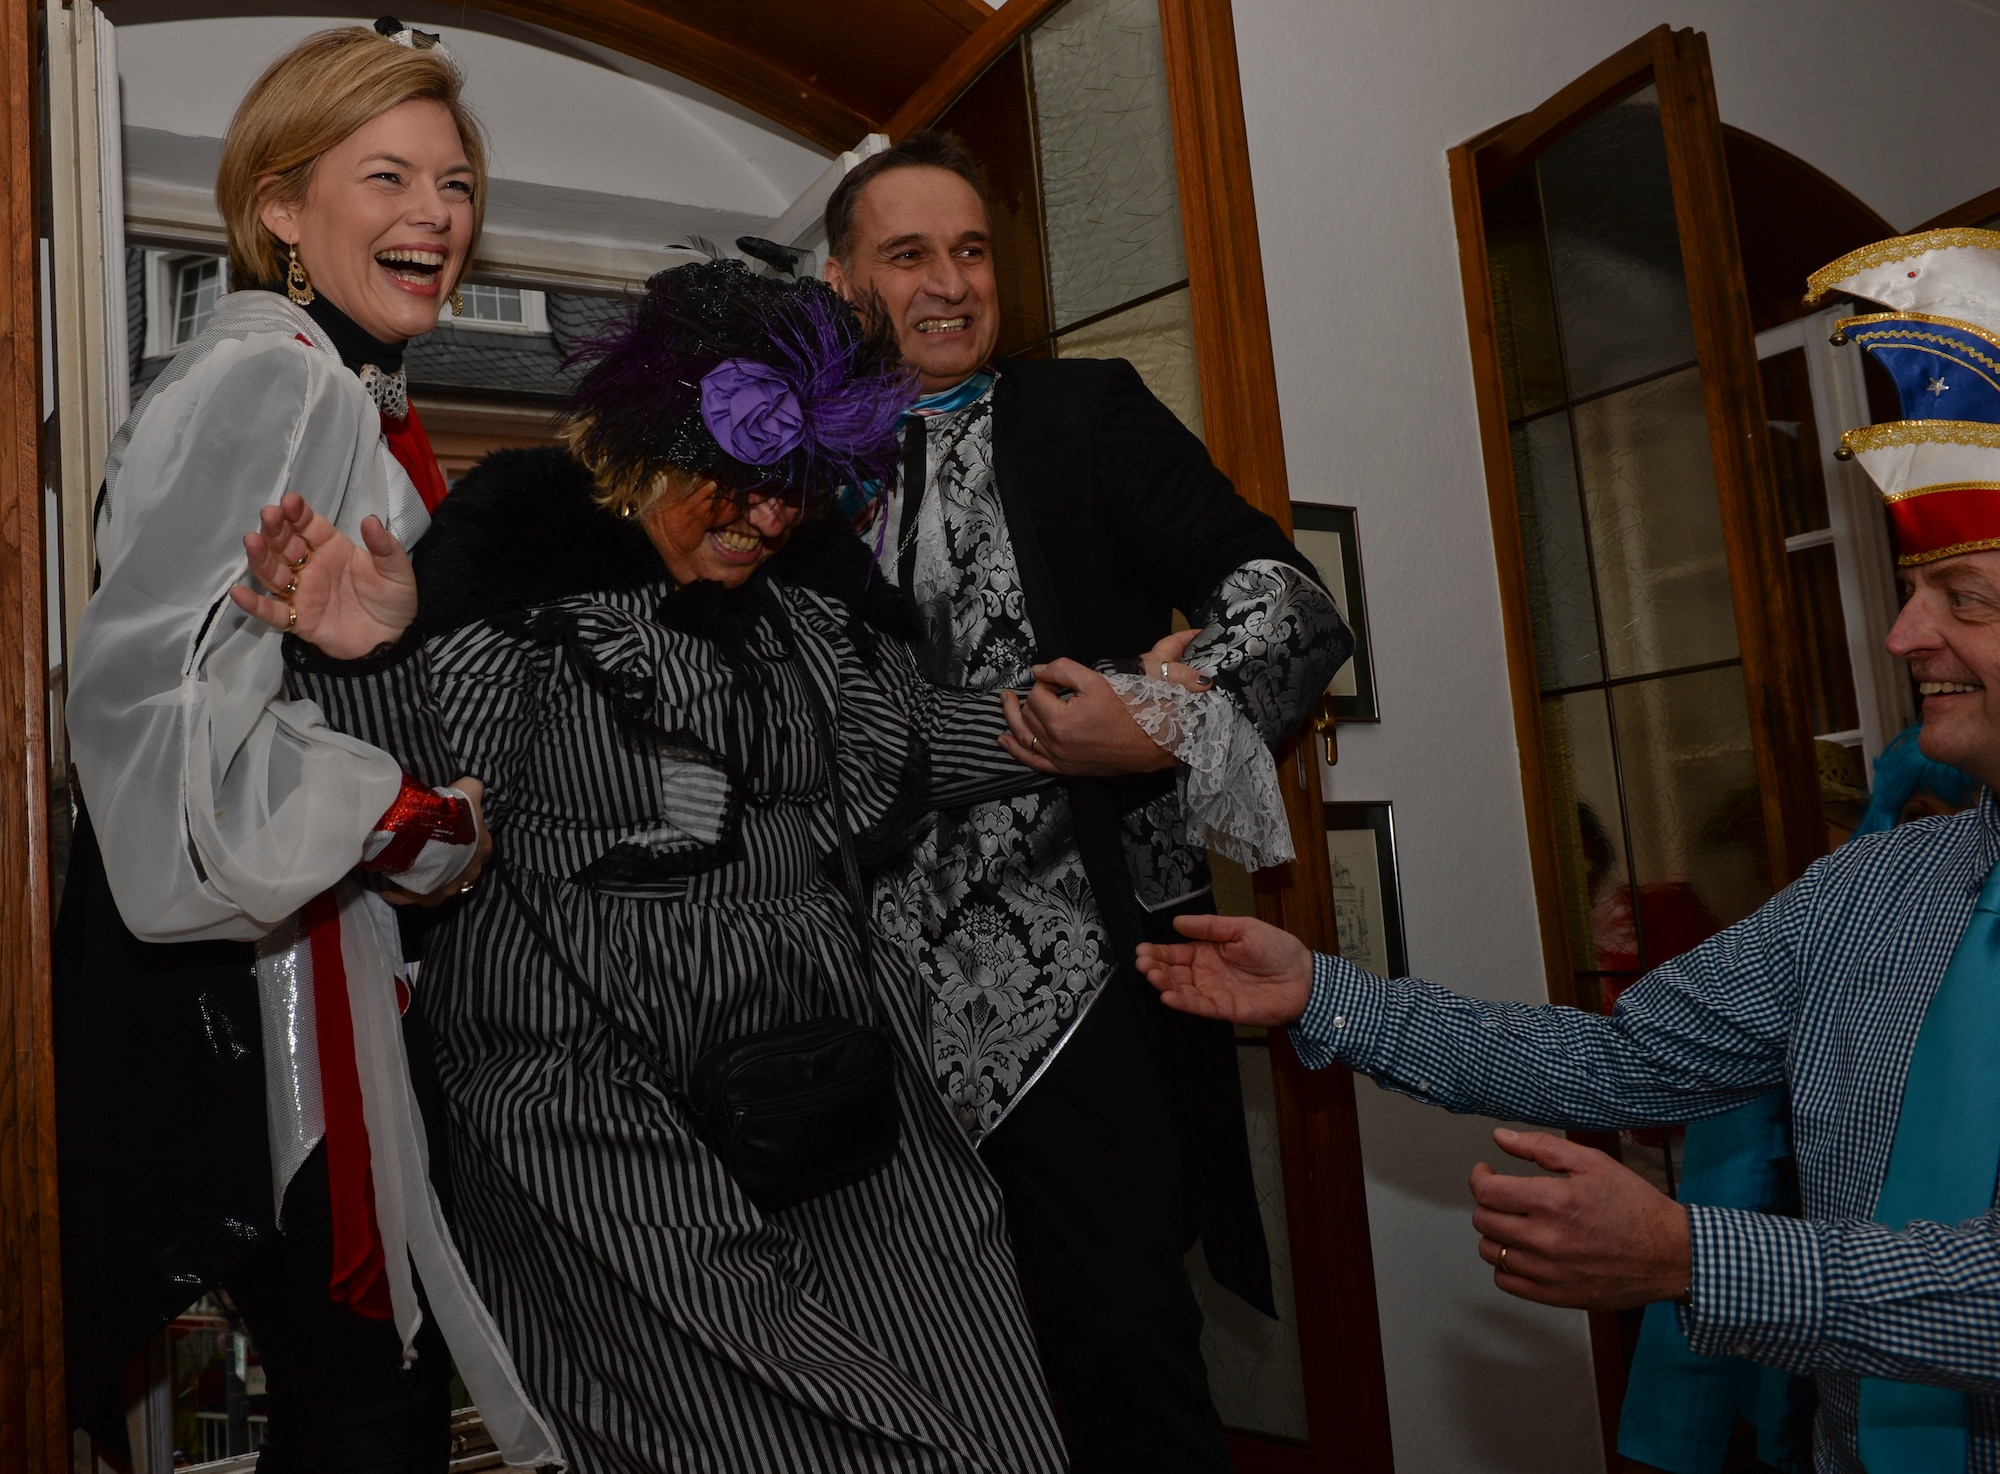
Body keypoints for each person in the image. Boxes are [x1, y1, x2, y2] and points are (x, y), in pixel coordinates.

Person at [1136, 227, 2000, 1474]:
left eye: (1962, 597)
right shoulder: (1878, 889)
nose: (1901, 630)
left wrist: (1691, 1256)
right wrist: (1324, 993)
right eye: (1913, 587)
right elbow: (1620, 1060)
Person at [236, 259, 1104, 1472]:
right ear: (648, 443)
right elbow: (409, 810)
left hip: (836, 1076)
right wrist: (367, 654)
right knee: (793, 1439)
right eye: (733, 486)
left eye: (789, 493)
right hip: (596, 1095)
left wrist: (1108, 723)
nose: (761, 519)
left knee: (986, 1414)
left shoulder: (807, 617)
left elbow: (910, 740)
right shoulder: (531, 605)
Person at [55, 22, 555, 1471]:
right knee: (369, 1397)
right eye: (386, 175)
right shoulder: (292, 380)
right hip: (253, 985)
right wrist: (414, 818)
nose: (436, 217)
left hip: (273, 951)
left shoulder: (314, 381)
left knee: (359, 1389)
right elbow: (156, 709)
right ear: (279, 207)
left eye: (455, 184)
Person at [821, 130, 1351, 1471]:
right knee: (915, 1378)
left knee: (1124, 1356)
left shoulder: (1082, 412)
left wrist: (1156, 718)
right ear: (841, 284)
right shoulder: (797, 478)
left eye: (971, 250)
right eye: (906, 255)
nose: (947, 282)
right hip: (860, 1003)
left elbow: (1289, 601)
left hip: (1088, 996)